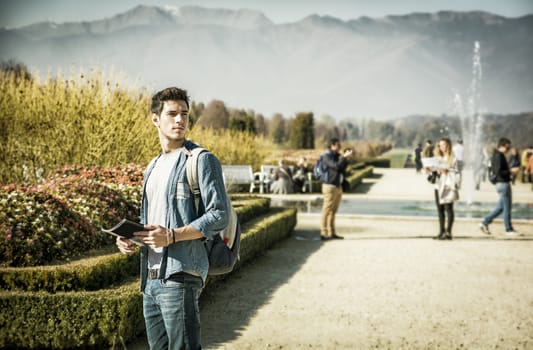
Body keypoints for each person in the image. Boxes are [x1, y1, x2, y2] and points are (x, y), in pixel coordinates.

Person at [115, 87, 230, 350]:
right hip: (151, 278)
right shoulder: (152, 167)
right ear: (155, 119)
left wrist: (172, 236)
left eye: (185, 114)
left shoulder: (201, 160)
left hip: (181, 273)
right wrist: (131, 238)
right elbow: (151, 220)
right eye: (172, 114)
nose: (180, 120)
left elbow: (219, 215)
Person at [479, 137, 519, 236]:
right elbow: (498, 172)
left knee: (501, 207)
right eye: (507, 147)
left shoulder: (497, 155)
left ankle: (485, 222)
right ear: (502, 146)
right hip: (503, 183)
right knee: (507, 207)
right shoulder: (498, 156)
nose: (509, 149)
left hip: (501, 183)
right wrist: (510, 171)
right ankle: (508, 229)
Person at [319, 138, 353, 240]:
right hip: (329, 186)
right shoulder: (326, 156)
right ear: (332, 145)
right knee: (326, 210)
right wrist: (344, 158)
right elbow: (336, 166)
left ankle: (332, 232)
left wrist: (346, 158)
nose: (340, 147)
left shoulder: (337, 156)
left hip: (338, 186)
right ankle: (323, 232)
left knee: (333, 211)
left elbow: (342, 169)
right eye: (338, 145)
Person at [431, 138, 461, 240]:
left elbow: (457, 171)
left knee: (448, 208)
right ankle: (441, 232)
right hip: (438, 186)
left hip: (448, 185)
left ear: (448, 145)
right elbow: (434, 172)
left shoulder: (452, 157)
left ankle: (448, 232)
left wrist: (447, 171)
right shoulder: (437, 157)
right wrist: (432, 170)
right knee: (440, 210)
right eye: (440, 145)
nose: (442, 147)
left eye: (444, 145)